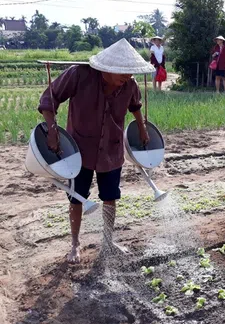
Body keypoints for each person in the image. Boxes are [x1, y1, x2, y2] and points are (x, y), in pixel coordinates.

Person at [38, 38, 152, 263]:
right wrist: (52, 130)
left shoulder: (129, 84)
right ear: (106, 69)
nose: (127, 77)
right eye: (122, 72)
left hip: (112, 149)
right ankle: (75, 244)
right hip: (79, 149)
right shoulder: (78, 75)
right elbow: (48, 99)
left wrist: (142, 127)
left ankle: (108, 242)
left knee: (110, 197)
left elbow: (135, 106)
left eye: (130, 73)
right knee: (76, 198)